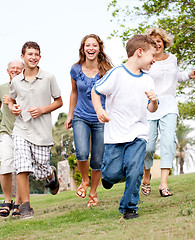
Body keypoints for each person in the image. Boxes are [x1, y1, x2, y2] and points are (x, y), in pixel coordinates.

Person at [91, 34, 159, 219]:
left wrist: (154, 102)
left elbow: (151, 109)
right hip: (116, 135)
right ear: (139, 52)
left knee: (135, 169)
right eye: (152, 55)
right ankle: (108, 177)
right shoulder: (117, 73)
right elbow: (95, 91)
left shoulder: (148, 80)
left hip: (138, 133)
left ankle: (129, 207)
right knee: (113, 174)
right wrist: (99, 109)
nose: (154, 59)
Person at [8, 41, 63, 219]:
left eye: (36, 54)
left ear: (40, 57)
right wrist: (13, 108)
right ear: (22, 56)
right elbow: (12, 101)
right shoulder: (16, 81)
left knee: (41, 169)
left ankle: (50, 174)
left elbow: (59, 101)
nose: (33, 57)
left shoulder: (48, 77)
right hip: (21, 129)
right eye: (29, 54)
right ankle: (25, 207)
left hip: (41, 132)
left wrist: (42, 110)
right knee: (22, 166)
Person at [141, 28, 195, 197]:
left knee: (168, 143)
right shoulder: (146, 62)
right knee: (148, 147)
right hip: (150, 106)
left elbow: (175, 76)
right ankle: (147, 177)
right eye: (153, 41)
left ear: (164, 43)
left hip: (169, 106)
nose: (157, 44)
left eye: (159, 41)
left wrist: (189, 75)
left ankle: (163, 184)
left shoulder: (172, 58)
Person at [64, 34, 113, 207]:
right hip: (81, 116)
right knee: (82, 152)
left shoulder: (107, 69)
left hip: (100, 118)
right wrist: (70, 115)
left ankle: (93, 193)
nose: (91, 48)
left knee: (97, 159)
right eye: (87, 45)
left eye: (94, 45)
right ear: (83, 49)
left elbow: (113, 93)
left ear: (99, 48)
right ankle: (85, 181)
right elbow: (74, 92)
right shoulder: (75, 69)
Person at [0, 60, 24, 218]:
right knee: (6, 164)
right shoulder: (2, 88)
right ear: (8, 70)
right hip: (5, 131)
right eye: (12, 68)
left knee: (22, 168)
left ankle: (19, 203)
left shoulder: (27, 87)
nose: (15, 70)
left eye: (18, 68)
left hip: (24, 131)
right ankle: (7, 200)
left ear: (23, 70)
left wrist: (13, 101)